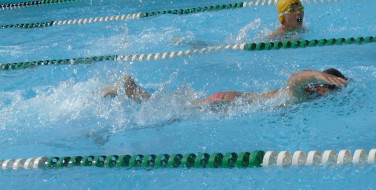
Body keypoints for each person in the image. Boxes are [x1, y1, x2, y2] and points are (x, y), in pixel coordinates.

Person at [102, 68, 348, 107]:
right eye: (331, 89)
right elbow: (296, 78)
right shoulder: (299, 94)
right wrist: (318, 73)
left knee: (176, 105)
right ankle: (129, 88)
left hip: (229, 99)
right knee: (173, 112)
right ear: (321, 87)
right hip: (225, 103)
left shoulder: (302, 96)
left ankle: (131, 89)